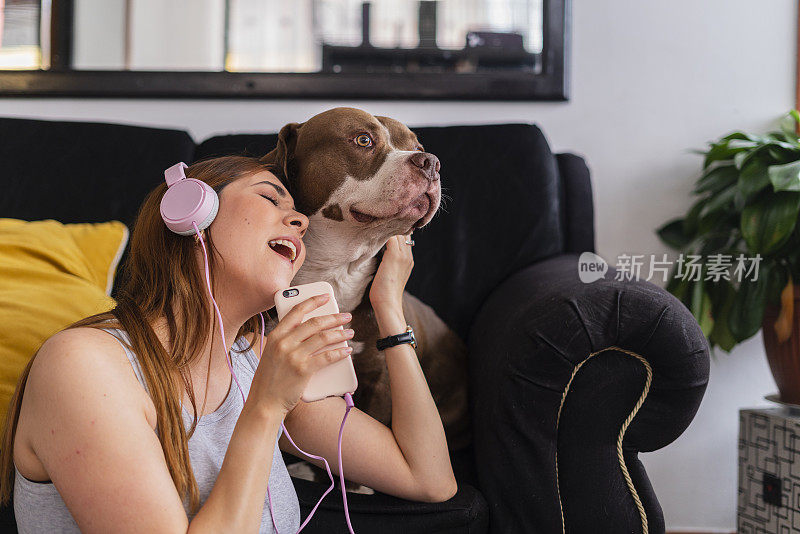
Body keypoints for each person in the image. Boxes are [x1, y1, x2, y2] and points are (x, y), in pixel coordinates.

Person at [0, 156, 457, 533]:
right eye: (268, 197)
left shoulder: (252, 359)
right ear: (190, 215)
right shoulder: (84, 366)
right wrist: (266, 406)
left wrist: (390, 312)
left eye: (297, 212)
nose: (300, 222)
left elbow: (428, 478)